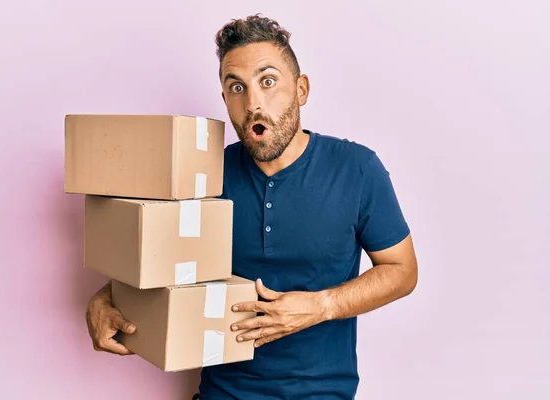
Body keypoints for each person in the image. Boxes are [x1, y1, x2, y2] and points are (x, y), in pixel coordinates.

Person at [85, 14, 418, 400]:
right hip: (223, 392)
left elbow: (402, 270)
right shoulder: (204, 175)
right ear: (225, 99)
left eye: (268, 81)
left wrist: (320, 306)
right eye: (237, 87)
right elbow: (161, 260)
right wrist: (103, 300)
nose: (254, 102)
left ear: (302, 88)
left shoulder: (357, 169)